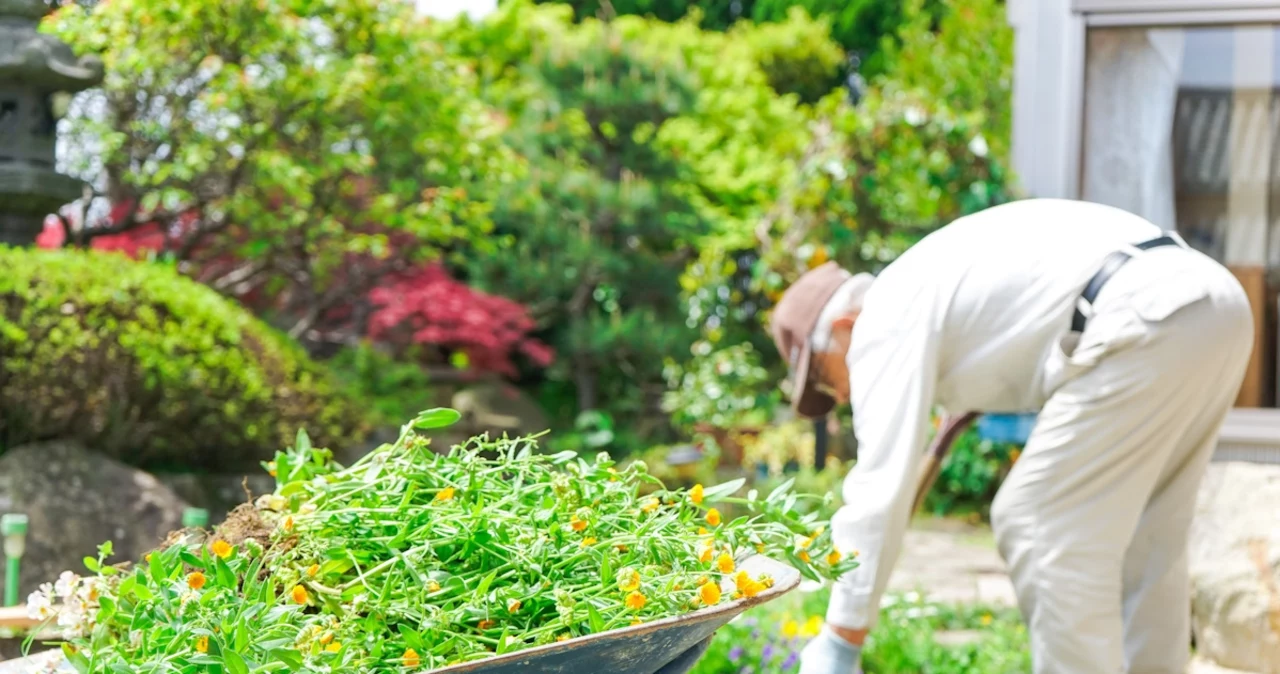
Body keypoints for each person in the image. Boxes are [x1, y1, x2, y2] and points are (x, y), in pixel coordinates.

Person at [768, 198, 1253, 674]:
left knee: (1040, 523)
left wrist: (840, 640)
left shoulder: (882, 320)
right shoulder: (926, 280)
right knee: (1152, 535)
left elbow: (879, 491)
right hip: (1210, 303)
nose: (844, 395)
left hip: (1142, 315)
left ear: (844, 326)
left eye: (828, 379)